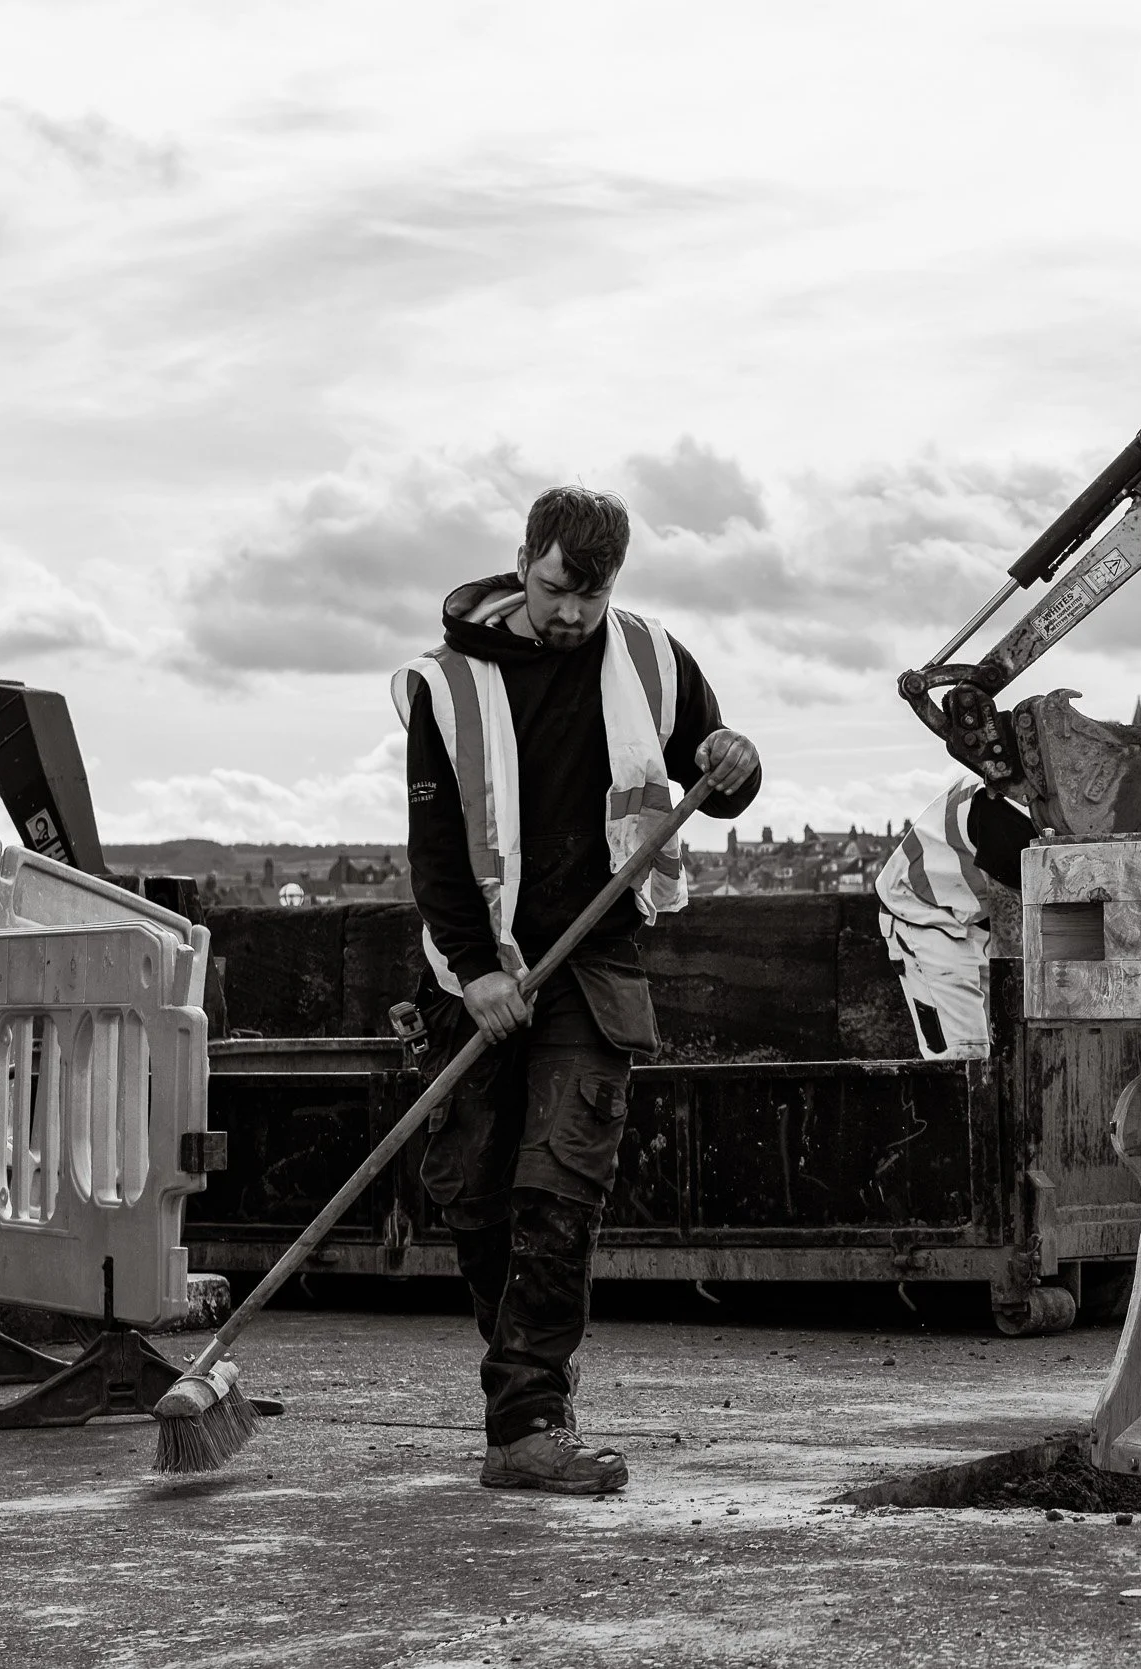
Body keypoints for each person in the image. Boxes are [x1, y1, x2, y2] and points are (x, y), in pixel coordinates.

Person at [394, 485, 760, 1493]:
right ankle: (518, 1402)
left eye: (591, 598)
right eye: (558, 588)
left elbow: (711, 773)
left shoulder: (648, 655)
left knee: (558, 1190)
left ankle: (528, 1425)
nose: (571, 614)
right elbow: (433, 849)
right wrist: (474, 971)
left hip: (593, 957)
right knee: (476, 1198)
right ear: (523, 561)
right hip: (479, 964)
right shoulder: (445, 684)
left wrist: (737, 762)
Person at [876, 775, 1034, 1059]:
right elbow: (1011, 936)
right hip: (924, 915)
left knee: (1004, 1056)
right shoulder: (1009, 813)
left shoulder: (1019, 790)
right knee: (965, 1058)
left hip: (970, 917)